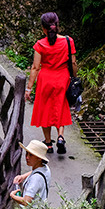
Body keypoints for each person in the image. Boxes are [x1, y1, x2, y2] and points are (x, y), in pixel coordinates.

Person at [29, 12, 77, 156]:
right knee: (60, 107)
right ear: (57, 26)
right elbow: (73, 62)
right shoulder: (68, 41)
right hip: (62, 77)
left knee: (45, 109)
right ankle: (61, 137)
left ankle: (49, 144)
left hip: (46, 79)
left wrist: (28, 88)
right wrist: (74, 77)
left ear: (43, 28)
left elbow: (35, 67)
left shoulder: (40, 44)